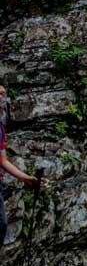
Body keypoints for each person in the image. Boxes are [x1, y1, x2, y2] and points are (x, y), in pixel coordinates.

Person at [0, 85, 42, 246]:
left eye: (3, 94)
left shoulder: (1, 128)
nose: (2, 97)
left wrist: (25, 178)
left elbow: (2, 160)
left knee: (2, 225)